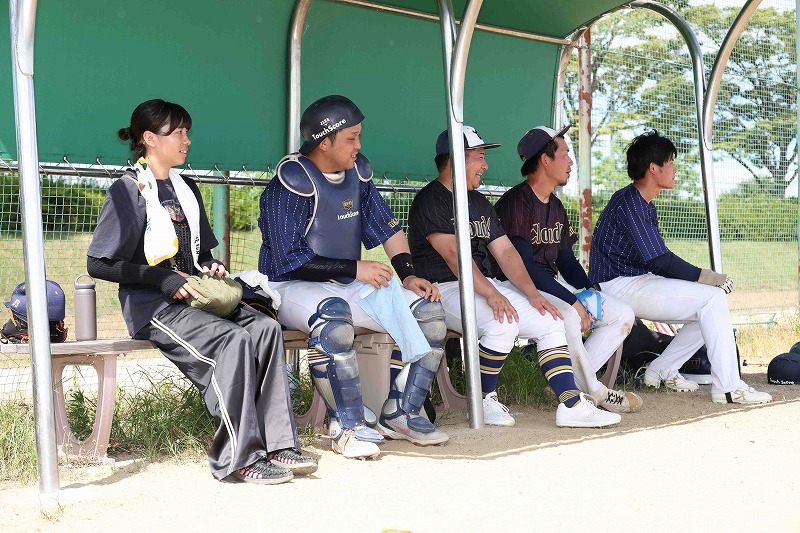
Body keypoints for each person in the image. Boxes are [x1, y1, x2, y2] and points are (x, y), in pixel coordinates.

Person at [87, 99, 317, 485]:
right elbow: (98, 263)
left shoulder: (187, 187)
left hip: (196, 297)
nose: (187, 140)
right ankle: (238, 458)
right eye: (178, 132)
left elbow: (202, 255)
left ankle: (278, 445)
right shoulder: (128, 192)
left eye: (187, 132)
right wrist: (160, 279)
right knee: (232, 341)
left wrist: (212, 266)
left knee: (264, 329)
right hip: (153, 306)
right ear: (150, 139)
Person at [258, 95, 449, 459]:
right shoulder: (291, 181)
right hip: (290, 286)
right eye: (351, 138)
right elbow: (287, 260)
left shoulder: (357, 174)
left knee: (427, 313)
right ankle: (347, 427)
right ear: (323, 142)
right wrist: (355, 268)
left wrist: (409, 276)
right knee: (333, 320)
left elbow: (389, 228)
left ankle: (402, 413)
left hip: (344, 283)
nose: (359, 145)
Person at [406, 125, 621, 428]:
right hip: (444, 288)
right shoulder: (432, 199)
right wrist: (492, 294)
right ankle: (483, 399)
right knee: (502, 322)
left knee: (552, 319)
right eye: (479, 157)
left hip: (482, 284)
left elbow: (506, 251)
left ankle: (572, 405)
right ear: (457, 158)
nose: (485, 165)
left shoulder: (478, 201)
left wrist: (532, 294)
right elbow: (455, 256)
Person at [589, 130, 771, 404]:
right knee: (712, 299)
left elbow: (657, 262)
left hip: (633, 281)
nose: (675, 169)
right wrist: (706, 277)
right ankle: (729, 388)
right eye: (671, 162)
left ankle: (660, 370)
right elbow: (660, 260)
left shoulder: (641, 203)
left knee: (708, 308)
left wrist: (702, 280)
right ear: (653, 168)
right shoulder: (631, 202)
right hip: (617, 286)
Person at [494, 125, 642, 414]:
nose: (571, 162)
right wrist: (573, 301)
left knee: (621, 314)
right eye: (564, 154)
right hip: (516, 285)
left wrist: (589, 289)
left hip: (548, 284)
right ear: (545, 160)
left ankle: (568, 383)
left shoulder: (556, 205)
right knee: (570, 316)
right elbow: (523, 266)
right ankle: (596, 392)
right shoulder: (517, 202)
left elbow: (566, 260)